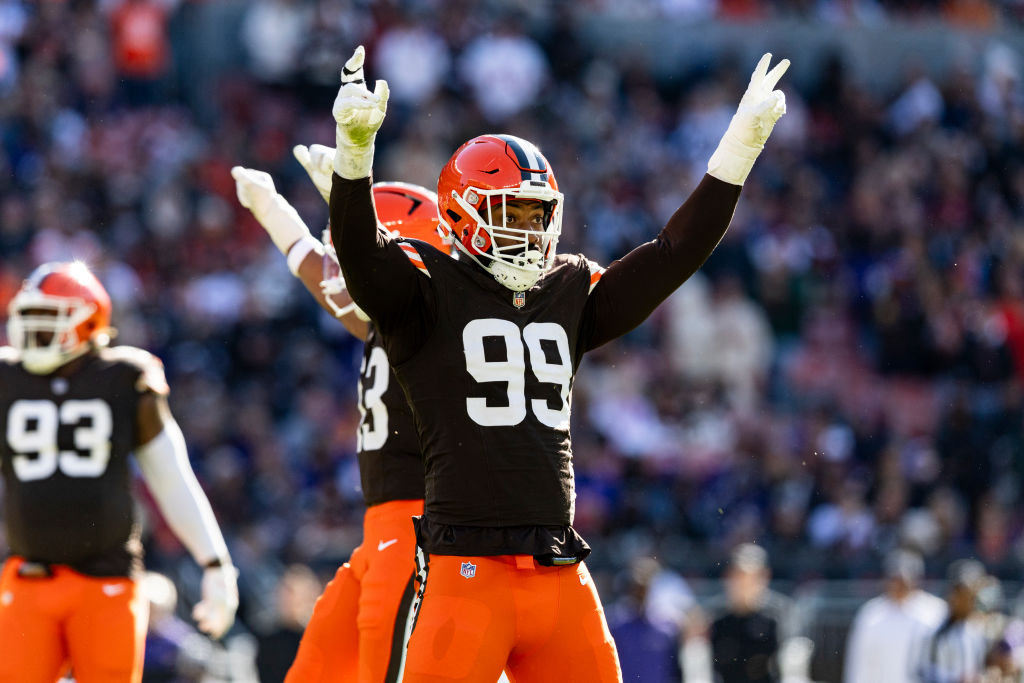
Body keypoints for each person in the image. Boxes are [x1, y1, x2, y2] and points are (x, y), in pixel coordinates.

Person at [320, 44, 789, 681]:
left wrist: (737, 152)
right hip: (468, 572)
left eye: (538, 213)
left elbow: (670, 254)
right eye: (512, 211)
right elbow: (360, 255)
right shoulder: (425, 290)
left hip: (560, 570)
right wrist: (354, 156)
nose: (530, 229)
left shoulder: (566, 288)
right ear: (461, 212)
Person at [231, 161, 450, 682]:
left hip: (423, 531)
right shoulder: (390, 324)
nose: (342, 272)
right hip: (383, 534)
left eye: (355, 260)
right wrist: (275, 214)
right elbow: (323, 280)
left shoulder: (436, 325)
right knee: (314, 670)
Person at [0, 261, 238, 683]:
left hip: (106, 579)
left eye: (46, 321)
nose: (31, 334)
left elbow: (171, 477)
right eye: (29, 320)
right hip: (28, 576)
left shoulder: (124, 377)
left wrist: (215, 564)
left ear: (89, 323)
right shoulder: (7, 377)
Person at [843, 548, 946, 683]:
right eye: (894, 578)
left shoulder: (936, 612)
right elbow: (857, 662)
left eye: (904, 579)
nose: (898, 584)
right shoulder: (871, 614)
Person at [709, 543, 783, 683]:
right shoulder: (714, 616)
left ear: (765, 576)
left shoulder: (779, 614)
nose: (745, 584)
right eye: (739, 577)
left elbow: (790, 664)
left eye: (751, 577)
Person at [916, 559, 989, 683]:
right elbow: (925, 673)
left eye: (971, 596)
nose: (967, 601)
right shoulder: (935, 632)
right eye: (962, 595)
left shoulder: (977, 630)